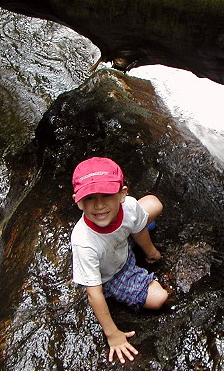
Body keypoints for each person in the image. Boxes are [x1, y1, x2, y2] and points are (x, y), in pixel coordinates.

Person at [70, 156, 168, 364]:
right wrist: (112, 334)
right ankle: (120, 289)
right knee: (159, 297)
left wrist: (151, 251)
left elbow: (139, 230)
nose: (98, 205)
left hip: (123, 243)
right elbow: (93, 294)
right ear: (78, 202)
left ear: (122, 194)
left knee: (153, 203)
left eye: (107, 195)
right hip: (112, 273)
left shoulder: (128, 206)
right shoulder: (84, 241)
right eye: (89, 198)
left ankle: (131, 236)